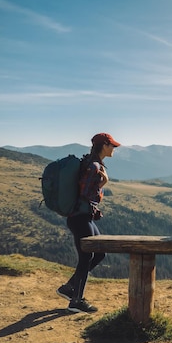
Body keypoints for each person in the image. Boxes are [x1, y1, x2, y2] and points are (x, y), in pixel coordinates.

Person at [56, 133, 121, 313]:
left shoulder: (93, 163)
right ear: (104, 146)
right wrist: (103, 184)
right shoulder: (93, 166)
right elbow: (85, 192)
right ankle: (76, 301)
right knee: (87, 257)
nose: (114, 149)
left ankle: (69, 288)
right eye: (112, 146)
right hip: (79, 217)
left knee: (99, 253)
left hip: (83, 217)